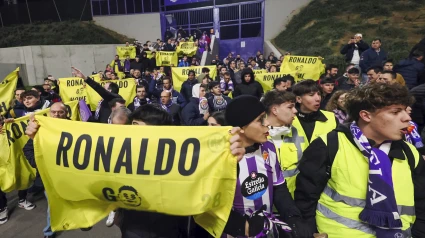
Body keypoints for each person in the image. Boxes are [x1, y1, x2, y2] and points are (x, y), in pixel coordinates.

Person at [24, 103, 250, 238]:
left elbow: (213, 178)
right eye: (132, 127)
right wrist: (37, 139)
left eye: (140, 128)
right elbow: (62, 166)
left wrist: (232, 159)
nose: (133, 134)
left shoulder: (179, 156)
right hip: (134, 231)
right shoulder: (118, 155)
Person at [294, 83, 425, 238]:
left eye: (405, 110)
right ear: (366, 115)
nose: (407, 118)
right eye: (396, 112)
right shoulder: (329, 145)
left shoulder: (409, 152)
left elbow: (421, 203)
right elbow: (305, 200)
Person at [222, 95, 311, 238]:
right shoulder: (223, 155)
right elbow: (210, 205)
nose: (268, 123)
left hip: (266, 231)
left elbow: (279, 188)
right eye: (260, 120)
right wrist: (241, 227)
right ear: (241, 127)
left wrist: (294, 219)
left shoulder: (268, 147)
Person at [281, 79, 337, 196]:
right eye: (311, 95)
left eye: (319, 94)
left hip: (321, 187)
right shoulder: (286, 119)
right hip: (291, 188)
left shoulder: (331, 118)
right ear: (299, 99)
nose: (318, 98)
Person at [22, 102, 69, 238]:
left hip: (71, 176)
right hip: (50, 177)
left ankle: (80, 221)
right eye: (54, 112)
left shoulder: (76, 128)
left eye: (60, 112)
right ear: (49, 113)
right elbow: (28, 149)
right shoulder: (41, 129)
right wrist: (40, 164)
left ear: (66, 113)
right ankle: (49, 232)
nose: (57, 115)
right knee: (52, 206)